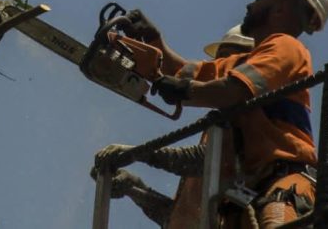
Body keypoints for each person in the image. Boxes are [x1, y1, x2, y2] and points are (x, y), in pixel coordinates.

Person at [96, 0, 328, 228]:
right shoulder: (242, 63)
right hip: (248, 193)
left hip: (281, 184)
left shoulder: (287, 47)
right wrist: (153, 40)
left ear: (280, 8)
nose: (249, 4)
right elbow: (182, 71)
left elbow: (232, 91)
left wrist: (185, 91)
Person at [92, 26, 254, 227]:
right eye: (218, 59)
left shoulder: (254, 117)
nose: (219, 66)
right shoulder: (216, 127)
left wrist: (138, 153)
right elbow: (178, 219)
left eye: (229, 58)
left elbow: (200, 161)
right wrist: (134, 188)